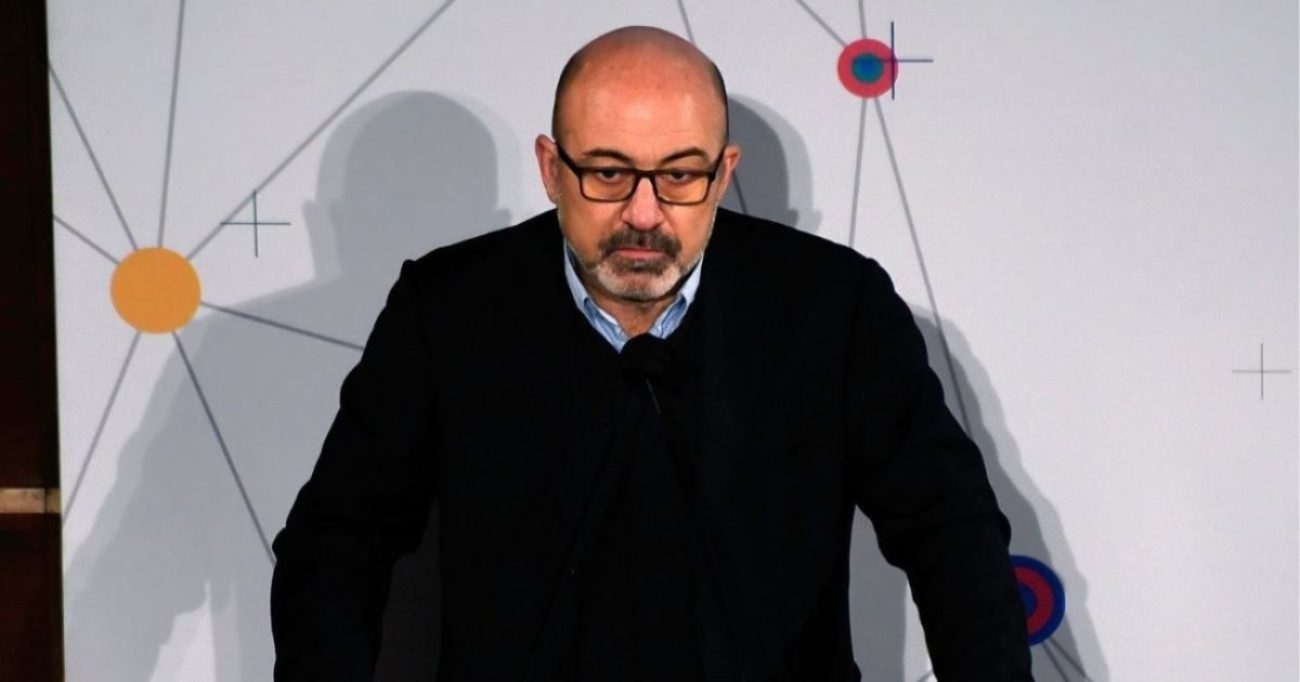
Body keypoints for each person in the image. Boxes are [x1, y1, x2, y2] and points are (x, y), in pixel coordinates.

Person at [270, 26, 1032, 681]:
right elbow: (336, 542)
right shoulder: (446, 308)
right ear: (551, 169)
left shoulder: (837, 308)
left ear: (723, 173)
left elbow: (951, 531)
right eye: (608, 173)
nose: (644, 214)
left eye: (679, 175)